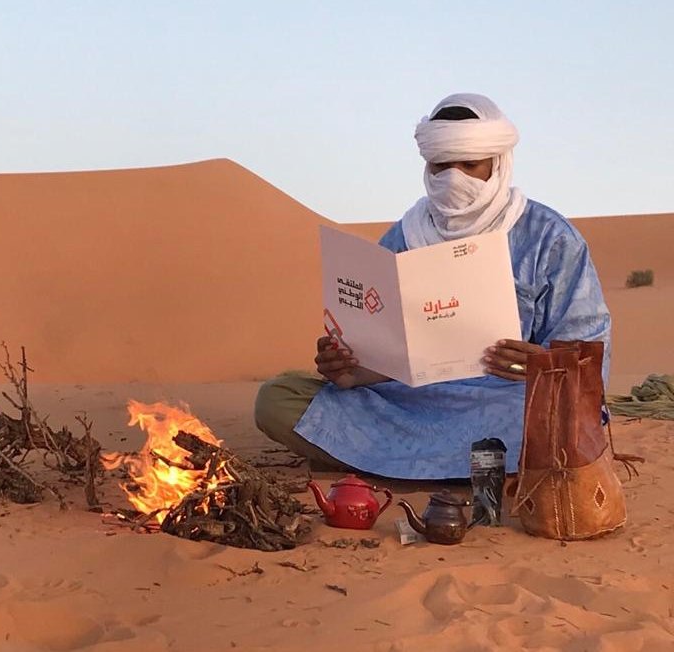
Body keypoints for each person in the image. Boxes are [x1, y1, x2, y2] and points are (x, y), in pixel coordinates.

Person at [253, 92, 611, 479]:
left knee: (564, 420)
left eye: (469, 165)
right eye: (441, 166)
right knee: (277, 399)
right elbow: (383, 352)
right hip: (410, 401)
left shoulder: (549, 238)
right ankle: (471, 468)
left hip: (508, 399)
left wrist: (539, 364)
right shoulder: (404, 236)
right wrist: (349, 370)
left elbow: (590, 357)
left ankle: (381, 462)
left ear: (498, 162)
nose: (453, 179)